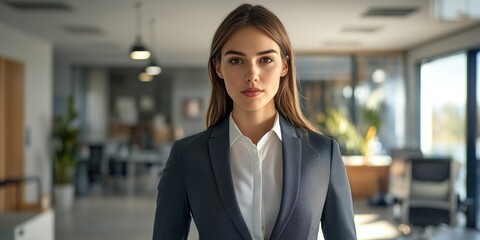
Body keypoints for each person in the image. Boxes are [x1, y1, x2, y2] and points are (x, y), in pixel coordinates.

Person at [153, 4, 356, 240]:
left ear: (284, 66)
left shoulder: (323, 154)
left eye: (266, 59)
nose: (252, 75)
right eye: (237, 61)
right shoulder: (187, 156)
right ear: (218, 67)